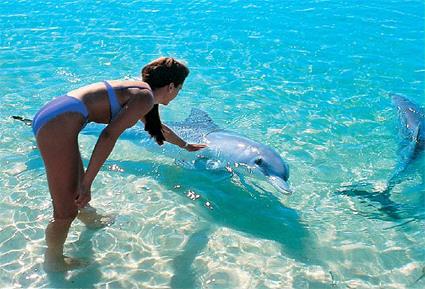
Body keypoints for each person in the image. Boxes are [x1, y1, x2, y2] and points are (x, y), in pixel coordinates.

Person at [32, 57, 206, 272]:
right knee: (65, 211)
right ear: (171, 86)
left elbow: (158, 128)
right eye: (180, 88)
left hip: (55, 115)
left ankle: (88, 217)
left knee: (76, 190)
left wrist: (185, 145)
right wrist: (87, 182)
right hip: (57, 125)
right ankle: (53, 261)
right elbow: (107, 136)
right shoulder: (144, 98)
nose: (179, 93)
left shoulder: (142, 93)